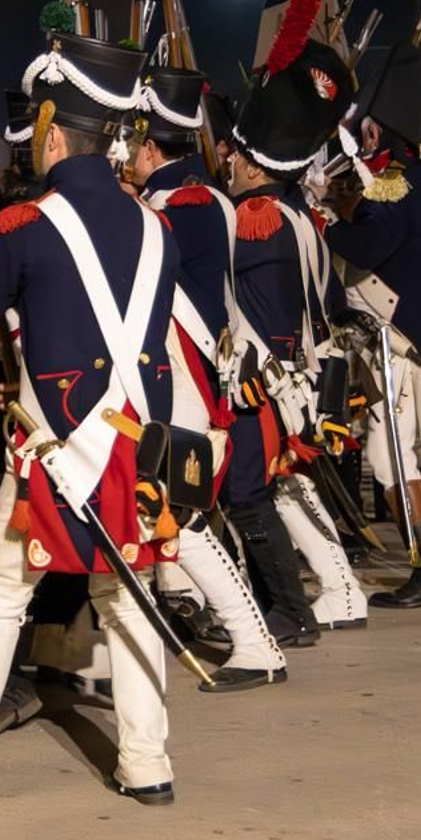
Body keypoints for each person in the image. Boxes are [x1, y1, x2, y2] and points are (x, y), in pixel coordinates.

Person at [0, 13, 179, 804]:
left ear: (52, 131)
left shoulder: (23, 229)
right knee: (128, 595)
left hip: (55, 449)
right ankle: (148, 762)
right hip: (129, 441)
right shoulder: (161, 231)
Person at [126, 65, 287, 690]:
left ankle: (256, 642)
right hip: (203, 363)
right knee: (174, 518)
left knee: (179, 519)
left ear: (147, 146)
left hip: (177, 372)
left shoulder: (168, 207)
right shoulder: (216, 197)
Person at [324, 39, 421, 600]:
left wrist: (328, 225)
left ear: (374, 132)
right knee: (418, 450)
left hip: (409, 333)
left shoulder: (393, 180)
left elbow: (370, 246)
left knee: (388, 457)